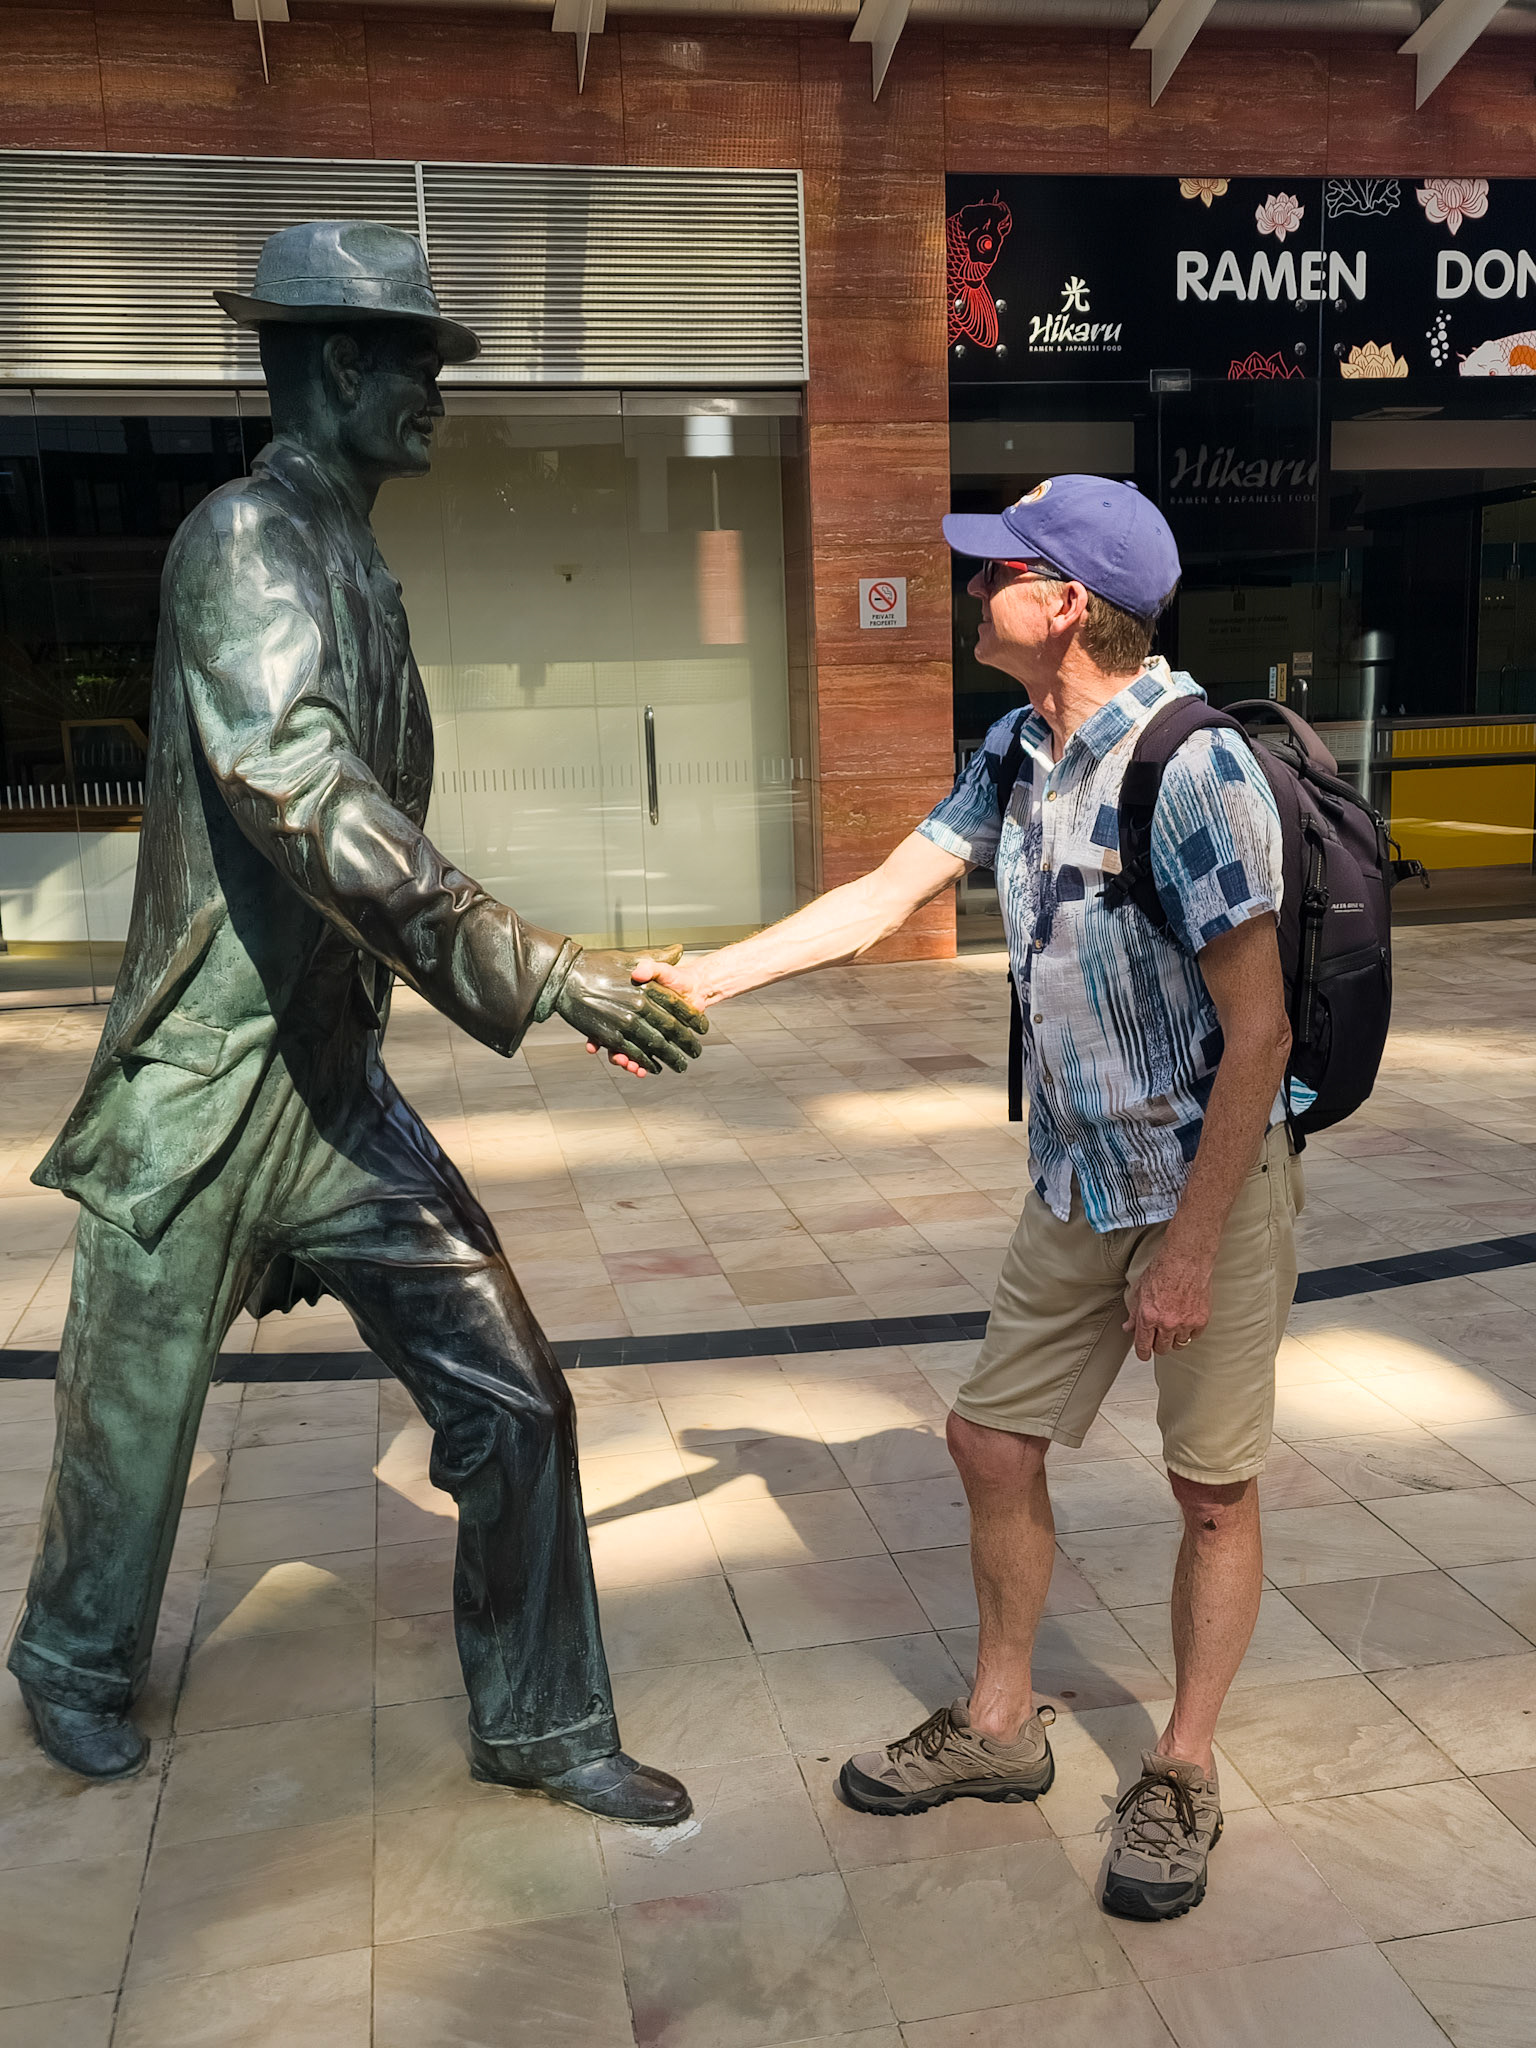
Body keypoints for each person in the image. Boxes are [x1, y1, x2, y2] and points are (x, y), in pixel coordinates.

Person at [7, 222, 707, 1825]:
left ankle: (540, 1721)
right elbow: (299, 793)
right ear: (337, 367)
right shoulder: (246, 541)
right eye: (417, 364)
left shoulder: (351, 561)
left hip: (330, 1090)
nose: (435, 396)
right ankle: (71, 1658)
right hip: (207, 1084)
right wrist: (540, 973)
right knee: (128, 1429)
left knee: (515, 1396)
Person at [631, 475, 1300, 1916]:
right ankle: (1001, 1728)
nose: (967, 583)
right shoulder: (1015, 747)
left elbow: (1263, 1034)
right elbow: (885, 896)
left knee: (1209, 1488)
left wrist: (1187, 1252)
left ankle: (1182, 1764)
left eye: (997, 567)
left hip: (1208, 1184)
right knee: (991, 1442)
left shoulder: (1192, 769)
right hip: (1076, 1176)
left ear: (1066, 605)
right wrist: (706, 979)